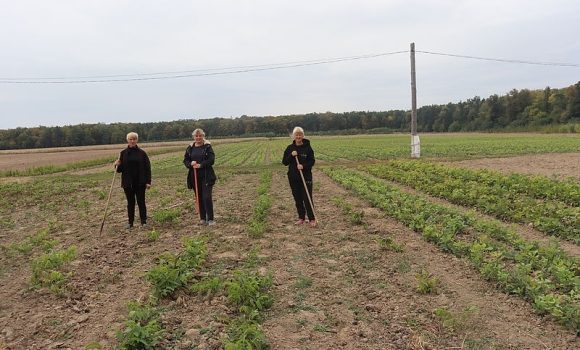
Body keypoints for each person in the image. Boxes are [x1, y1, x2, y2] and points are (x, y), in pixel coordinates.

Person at [114, 132, 152, 229]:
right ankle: (130, 223)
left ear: (137, 140)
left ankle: (143, 221)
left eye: (134, 139)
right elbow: (119, 170)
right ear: (127, 140)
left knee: (141, 202)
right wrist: (116, 165)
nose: (132, 141)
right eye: (130, 139)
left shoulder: (142, 153)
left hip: (140, 182)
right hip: (128, 183)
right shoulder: (123, 153)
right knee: (130, 203)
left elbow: (147, 168)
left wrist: (148, 182)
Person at [282, 126, 316, 227]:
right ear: (293, 136)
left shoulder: (308, 148)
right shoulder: (290, 148)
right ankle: (301, 218)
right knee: (298, 198)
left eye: (300, 134)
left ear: (303, 135)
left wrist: (303, 166)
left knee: (307, 198)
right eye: (296, 135)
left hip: (305, 177)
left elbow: (312, 161)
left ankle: (312, 219)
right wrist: (291, 155)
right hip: (293, 178)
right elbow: (284, 162)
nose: (298, 136)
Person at [183, 128, 217, 225]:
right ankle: (202, 218)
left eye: (200, 136)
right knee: (199, 197)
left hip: (206, 176)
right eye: (196, 136)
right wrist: (190, 164)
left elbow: (211, 160)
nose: (198, 138)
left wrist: (201, 165)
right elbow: (185, 160)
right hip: (194, 176)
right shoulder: (190, 147)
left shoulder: (207, 147)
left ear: (203, 136)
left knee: (206, 197)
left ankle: (210, 219)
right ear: (194, 137)